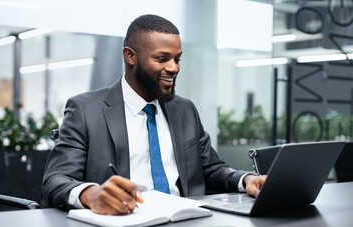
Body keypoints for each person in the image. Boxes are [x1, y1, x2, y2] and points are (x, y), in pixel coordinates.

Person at [41, 14, 267, 215]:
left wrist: (245, 179)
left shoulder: (185, 110)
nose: (174, 67)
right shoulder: (85, 110)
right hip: (124, 223)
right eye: (162, 59)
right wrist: (90, 194)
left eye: (177, 59)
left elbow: (211, 168)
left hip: (188, 223)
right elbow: (55, 180)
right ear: (130, 56)